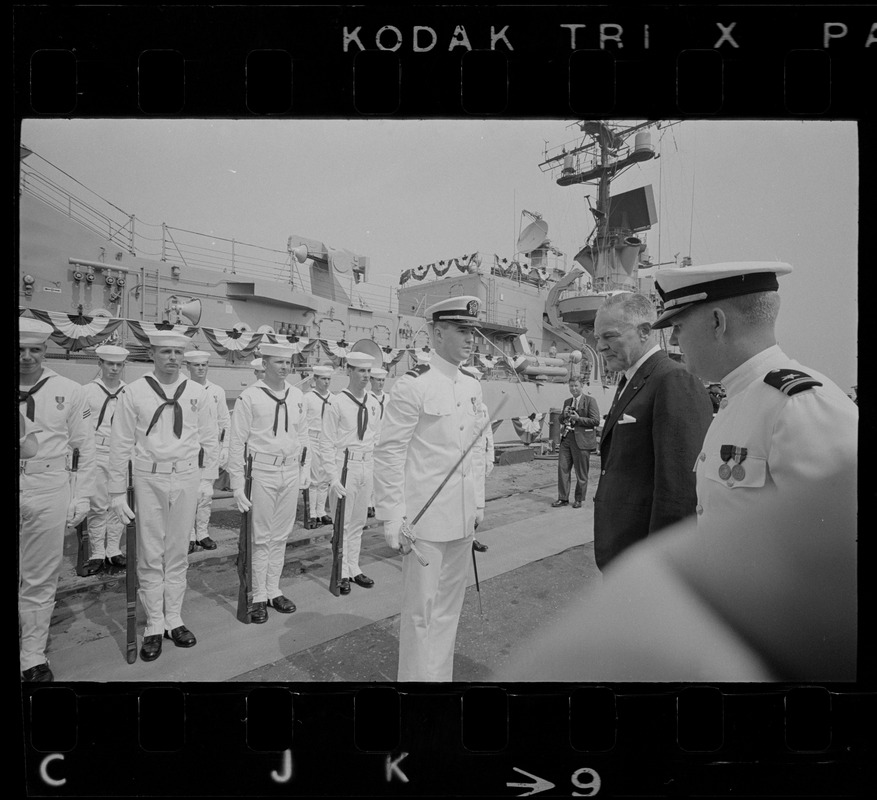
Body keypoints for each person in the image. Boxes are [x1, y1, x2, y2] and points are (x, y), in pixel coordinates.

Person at [652, 261, 858, 528]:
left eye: (678, 326)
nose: (673, 341)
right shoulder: (742, 397)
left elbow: (836, 546)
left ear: (717, 322)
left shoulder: (799, 405)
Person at [374, 296, 483, 682]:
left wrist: (478, 503)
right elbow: (389, 453)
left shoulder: (472, 385)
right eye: (462, 331)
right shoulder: (412, 386)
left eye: (473, 331)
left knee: (449, 612)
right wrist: (391, 516)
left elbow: (476, 450)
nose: (471, 340)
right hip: (424, 523)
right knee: (420, 614)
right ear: (438, 333)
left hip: (461, 519)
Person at [108, 332, 219, 663]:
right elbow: (120, 442)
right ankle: (154, 624)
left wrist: (208, 480)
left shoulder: (198, 393)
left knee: (177, 552)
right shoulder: (134, 392)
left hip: (186, 475)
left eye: (177, 352)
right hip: (149, 476)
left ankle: (174, 618)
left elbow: (210, 439)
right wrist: (116, 490)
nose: (172, 357)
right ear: (152, 354)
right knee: (150, 552)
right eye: (165, 351)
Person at [592, 293, 713, 571]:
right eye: (597, 338)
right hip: (622, 550)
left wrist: (662, 571)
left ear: (645, 331)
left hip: (646, 560)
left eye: (609, 336)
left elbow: (680, 492)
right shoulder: (632, 379)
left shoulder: (673, 379)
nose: (600, 346)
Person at [19, 318, 96, 682]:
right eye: (20, 350)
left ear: (46, 350)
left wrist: (81, 497)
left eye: (34, 349)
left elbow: (84, 447)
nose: (27, 357)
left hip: (48, 485)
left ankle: (32, 654)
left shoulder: (68, 389)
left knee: (40, 575)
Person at [228, 342, 310, 623]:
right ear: (264, 365)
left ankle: (274, 589)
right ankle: (258, 595)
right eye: (278, 362)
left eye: (288, 363)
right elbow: (236, 441)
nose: (285, 367)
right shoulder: (250, 397)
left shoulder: (297, 395)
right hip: (261, 471)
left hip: (289, 471)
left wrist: (304, 469)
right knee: (261, 538)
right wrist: (237, 485)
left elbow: (303, 436)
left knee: (281, 535)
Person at [320, 352, 382, 594]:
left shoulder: (374, 403)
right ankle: (342, 571)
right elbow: (326, 442)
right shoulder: (336, 403)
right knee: (342, 524)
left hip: (366, 466)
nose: (366, 376)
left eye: (368, 371)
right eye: (360, 371)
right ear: (348, 370)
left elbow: (376, 437)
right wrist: (332, 477)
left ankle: (354, 567)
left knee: (358, 522)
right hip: (344, 466)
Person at [81, 344, 130, 575]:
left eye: (119, 364)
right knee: (97, 505)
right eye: (109, 364)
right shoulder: (86, 392)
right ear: (100, 364)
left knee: (118, 504)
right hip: (97, 452)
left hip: (122, 454)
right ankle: (97, 554)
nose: (114, 368)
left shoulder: (129, 392)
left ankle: (114, 550)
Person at [184, 349, 229, 554]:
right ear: (188, 367)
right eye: (196, 365)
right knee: (188, 494)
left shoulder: (217, 391)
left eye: (204, 365)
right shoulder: (183, 389)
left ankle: (202, 533)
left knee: (206, 494)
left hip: (210, 448)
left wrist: (224, 447)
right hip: (189, 449)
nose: (200, 368)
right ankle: (188, 535)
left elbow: (224, 421)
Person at [552, 376, 600, 510]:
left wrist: (578, 419)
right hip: (567, 439)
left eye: (576, 386)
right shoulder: (567, 401)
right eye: (571, 386)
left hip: (582, 441)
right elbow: (561, 420)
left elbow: (595, 420)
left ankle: (579, 499)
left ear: (582, 386)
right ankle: (563, 498)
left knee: (581, 472)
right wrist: (564, 415)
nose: (573, 389)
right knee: (562, 469)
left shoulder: (590, 401)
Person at [461, 366, 494, 552]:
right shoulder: (461, 406)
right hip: (466, 458)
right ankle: (465, 540)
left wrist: (490, 457)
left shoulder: (483, 408)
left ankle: (470, 537)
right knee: (465, 500)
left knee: (478, 505)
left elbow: (488, 432)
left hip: (480, 457)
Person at [302, 364, 334, 528]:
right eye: (323, 379)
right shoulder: (308, 398)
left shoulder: (333, 398)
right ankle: (312, 514)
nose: (326, 382)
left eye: (329, 379)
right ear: (315, 379)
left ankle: (321, 512)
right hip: (312, 438)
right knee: (314, 479)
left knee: (325, 478)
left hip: (327, 440)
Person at [366, 366, 389, 518]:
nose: (380, 383)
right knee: (370, 473)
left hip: (385, 440)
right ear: (371, 380)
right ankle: (368, 503)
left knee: (382, 474)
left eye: (382, 380)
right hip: (371, 440)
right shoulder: (367, 398)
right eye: (378, 380)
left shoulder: (388, 398)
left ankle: (378, 502)